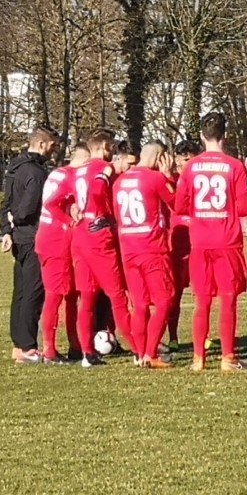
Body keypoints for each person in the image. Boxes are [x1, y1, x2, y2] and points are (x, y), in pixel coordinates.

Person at [174, 112, 247, 372]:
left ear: (201, 136)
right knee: (228, 299)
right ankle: (228, 357)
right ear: (225, 136)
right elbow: (244, 208)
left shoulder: (190, 167)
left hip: (200, 241)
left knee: (202, 301)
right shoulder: (235, 166)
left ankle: (198, 358)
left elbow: (180, 206)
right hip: (227, 241)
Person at [70, 131, 138, 367]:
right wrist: (103, 215)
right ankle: (139, 350)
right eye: (110, 147)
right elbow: (98, 189)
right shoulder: (104, 167)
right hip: (98, 237)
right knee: (117, 296)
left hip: (80, 235)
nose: (112, 151)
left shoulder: (80, 169)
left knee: (87, 298)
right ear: (104, 146)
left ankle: (87, 353)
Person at [114, 141, 177, 368]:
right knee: (164, 301)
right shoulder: (155, 178)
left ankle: (140, 354)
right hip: (152, 249)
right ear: (160, 157)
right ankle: (151, 353)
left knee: (139, 305)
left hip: (128, 250)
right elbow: (178, 204)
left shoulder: (119, 182)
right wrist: (169, 177)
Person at [0, 125, 58, 363]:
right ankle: (28, 347)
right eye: (52, 145)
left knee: (21, 292)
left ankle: (18, 345)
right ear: (42, 144)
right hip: (35, 237)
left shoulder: (14, 168)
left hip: (19, 238)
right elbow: (30, 206)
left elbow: (5, 203)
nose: (54, 150)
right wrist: (18, 218)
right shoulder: (37, 172)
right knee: (34, 292)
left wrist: (7, 229)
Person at [34, 141, 89, 365]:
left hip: (54, 239)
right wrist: (70, 221)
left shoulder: (58, 173)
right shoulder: (71, 177)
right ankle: (49, 349)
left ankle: (75, 345)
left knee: (71, 294)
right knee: (55, 295)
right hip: (56, 241)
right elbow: (51, 204)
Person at [166, 139, 200, 353]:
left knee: (202, 293)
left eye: (190, 159)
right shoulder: (169, 180)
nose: (185, 163)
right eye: (183, 159)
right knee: (173, 295)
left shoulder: (201, 180)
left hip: (198, 243)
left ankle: (203, 336)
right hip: (176, 245)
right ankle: (173, 337)